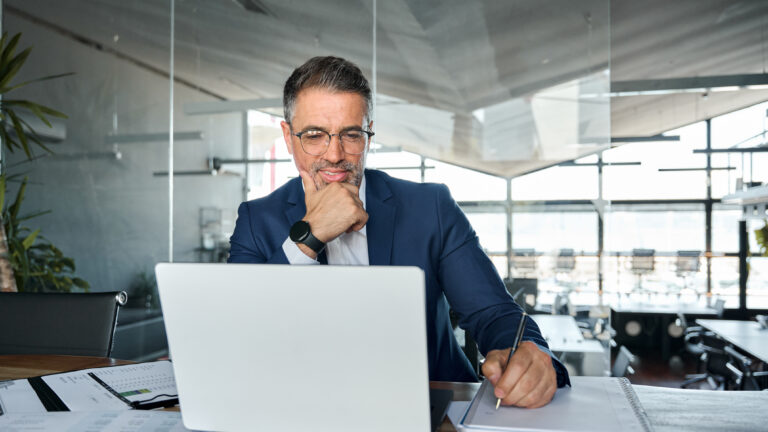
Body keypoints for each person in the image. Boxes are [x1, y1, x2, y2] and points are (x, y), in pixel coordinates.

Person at [229, 56, 570, 408]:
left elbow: (494, 313)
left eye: (351, 134)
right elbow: (237, 331)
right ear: (288, 137)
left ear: (368, 134)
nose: (334, 154)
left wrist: (530, 353)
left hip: (433, 407)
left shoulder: (430, 207)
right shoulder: (257, 220)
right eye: (314, 135)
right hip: (306, 409)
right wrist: (310, 235)